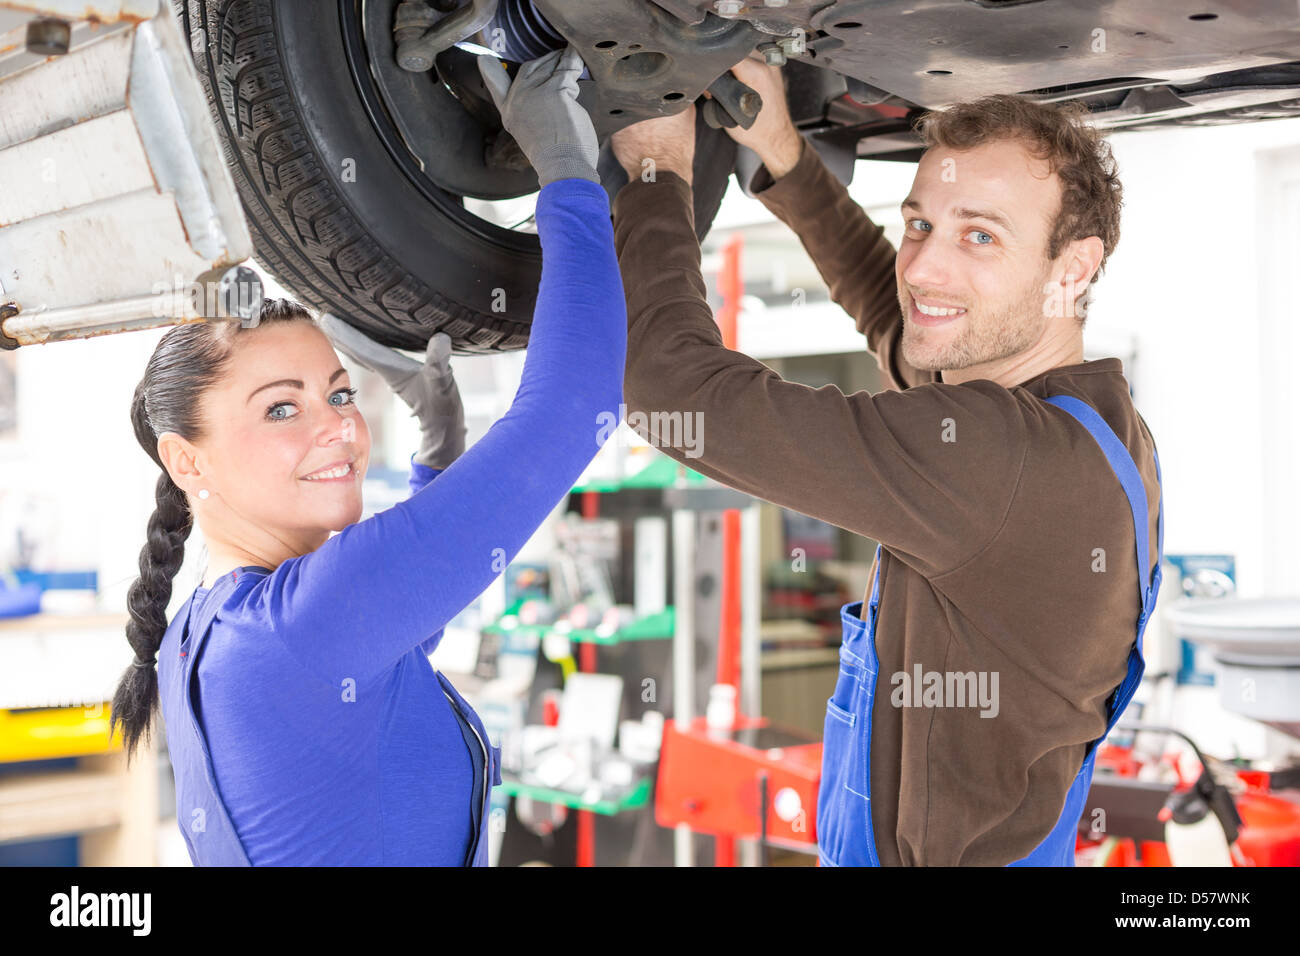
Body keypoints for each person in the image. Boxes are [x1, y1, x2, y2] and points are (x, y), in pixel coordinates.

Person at [609, 55, 1163, 866]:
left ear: (1071, 268)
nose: (924, 268)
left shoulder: (995, 458)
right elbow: (905, 326)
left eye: (980, 235)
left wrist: (656, 169)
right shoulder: (1098, 424)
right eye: (919, 225)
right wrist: (785, 154)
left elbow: (670, 395)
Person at [109, 45, 625, 866]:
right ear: (187, 462)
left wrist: (438, 455)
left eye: (339, 393)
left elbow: (391, 633)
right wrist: (567, 172)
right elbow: (576, 411)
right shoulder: (301, 620)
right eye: (282, 406)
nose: (340, 428)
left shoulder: (198, 632)